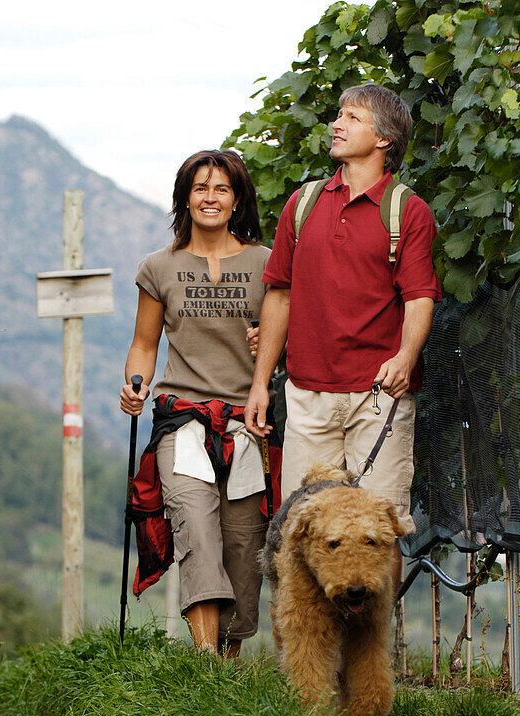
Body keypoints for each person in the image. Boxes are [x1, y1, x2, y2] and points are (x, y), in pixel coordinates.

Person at [245, 83, 441, 551]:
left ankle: (374, 629)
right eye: (339, 115)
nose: (337, 124)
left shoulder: (407, 211)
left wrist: (406, 356)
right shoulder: (303, 203)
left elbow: (420, 297)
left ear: (384, 139)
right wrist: (260, 382)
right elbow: (280, 295)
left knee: (379, 533)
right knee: (302, 533)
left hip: (378, 399)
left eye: (352, 118)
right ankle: (305, 628)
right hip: (308, 395)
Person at [120, 149, 274, 657]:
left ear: (237, 201)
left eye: (222, 189)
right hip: (181, 420)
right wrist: (136, 384)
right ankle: (206, 669)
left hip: (247, 426)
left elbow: (286, 340)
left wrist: (269, 344)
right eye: (201, 188)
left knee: (243, 546)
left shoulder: (265, 263)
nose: (211, 198)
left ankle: (227, 668)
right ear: (185, 198)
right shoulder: (158, 267)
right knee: (196, 531)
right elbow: (145, 344)